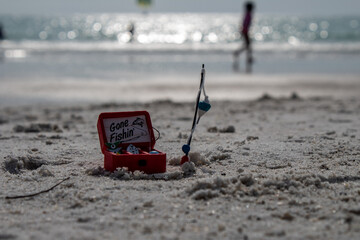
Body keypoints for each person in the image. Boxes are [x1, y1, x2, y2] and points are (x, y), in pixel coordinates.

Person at [233, 2, 254, 73]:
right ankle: (245, 57)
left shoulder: (247, 14)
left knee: (248, 45)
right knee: (248, 45)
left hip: (245, 31)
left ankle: (247, 58)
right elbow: (245, 24)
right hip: (245, 31)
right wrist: (244, 32)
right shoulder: (248, 15)